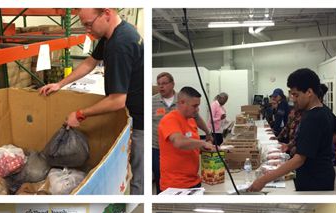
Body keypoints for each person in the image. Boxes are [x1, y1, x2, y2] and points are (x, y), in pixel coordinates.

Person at [39, 8, 144, 195]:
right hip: (131, 114)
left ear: (107, 13)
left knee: (139, 176)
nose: (87, 30)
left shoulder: (120, 44)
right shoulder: (114, 33)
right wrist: (60, 84)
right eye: (83, 24)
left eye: (88, 24)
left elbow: (117, 101)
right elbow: (91, 62)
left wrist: (80, 115)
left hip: (138, 120)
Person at [249, 68, 335, 192]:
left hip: (314, 182)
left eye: (296, 94)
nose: (293, 99)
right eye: (291, 94)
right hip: (320, 175)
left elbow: (299, 159)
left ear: (309, 92)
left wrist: (263, 180)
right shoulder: (324, 111)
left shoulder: (313, 117)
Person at [152, 72, 212, 193]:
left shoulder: (191, 119)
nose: (197, 109)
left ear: (172, 84)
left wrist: (208, 142)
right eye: (195, 106)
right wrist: (202, 143)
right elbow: (179, 142)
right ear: (182, 103)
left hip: (193, 181)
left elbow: (191, 144)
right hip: (175, 185)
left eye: (164, 83)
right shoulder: (169, 118)